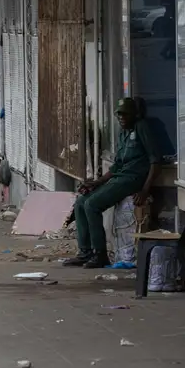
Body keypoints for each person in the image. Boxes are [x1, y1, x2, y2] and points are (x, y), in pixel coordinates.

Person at [63, 98, 164, 269]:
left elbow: (156, 162)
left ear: (135, 114)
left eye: (125, 114)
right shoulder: (123, 133)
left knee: (92, 205)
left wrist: (145, 190)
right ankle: (85, 252)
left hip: (133, 178)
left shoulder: (142, 127)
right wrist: (97, 182)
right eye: (119, 114)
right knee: (81, 201)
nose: (122, 117)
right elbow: (117, 165)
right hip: (119, 177)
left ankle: (100, 254)